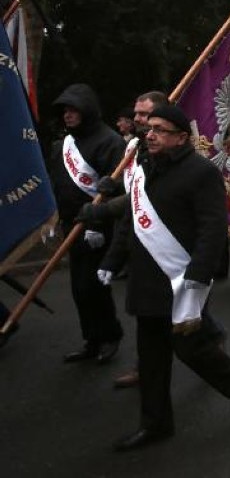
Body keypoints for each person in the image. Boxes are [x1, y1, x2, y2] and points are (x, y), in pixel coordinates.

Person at [100, 104, 230, 451]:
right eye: (149, 128)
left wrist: (199, 274)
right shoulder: (144, 167)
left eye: (160, 130)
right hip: (146, 277)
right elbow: (131, 219)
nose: (150, 134)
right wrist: (112, 258)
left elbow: (213, 227)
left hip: (182, 278)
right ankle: (155, 424)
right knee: (151, 356)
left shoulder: (201, 172)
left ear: (182, 138)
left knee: (190, 348)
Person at [49, 84, 125, 364]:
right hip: (72, 223)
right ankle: (91, 338)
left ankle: (110, 335)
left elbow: (119, 187)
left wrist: (99, 220)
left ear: (87, 111)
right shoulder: (64, 144)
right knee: (78, 288)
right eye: (65, 111)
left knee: (94, 285)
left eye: (73, 110)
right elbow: (57, 182)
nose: (67, 116)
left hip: (97, 226)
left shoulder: (110, 141)